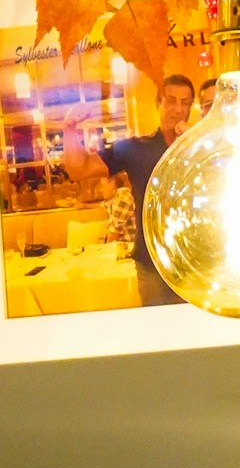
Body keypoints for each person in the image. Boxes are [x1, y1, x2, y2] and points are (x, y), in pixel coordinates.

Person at [74, 74, 199, 306]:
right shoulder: (136, 148)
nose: (178, 109)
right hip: (151, 265)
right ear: (158, 104)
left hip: (193, 264)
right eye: (171, 100)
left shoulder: (201, 148)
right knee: (158, 336)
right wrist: (69, 128)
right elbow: (79, 168)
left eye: (185, 102)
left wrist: (196, 142)